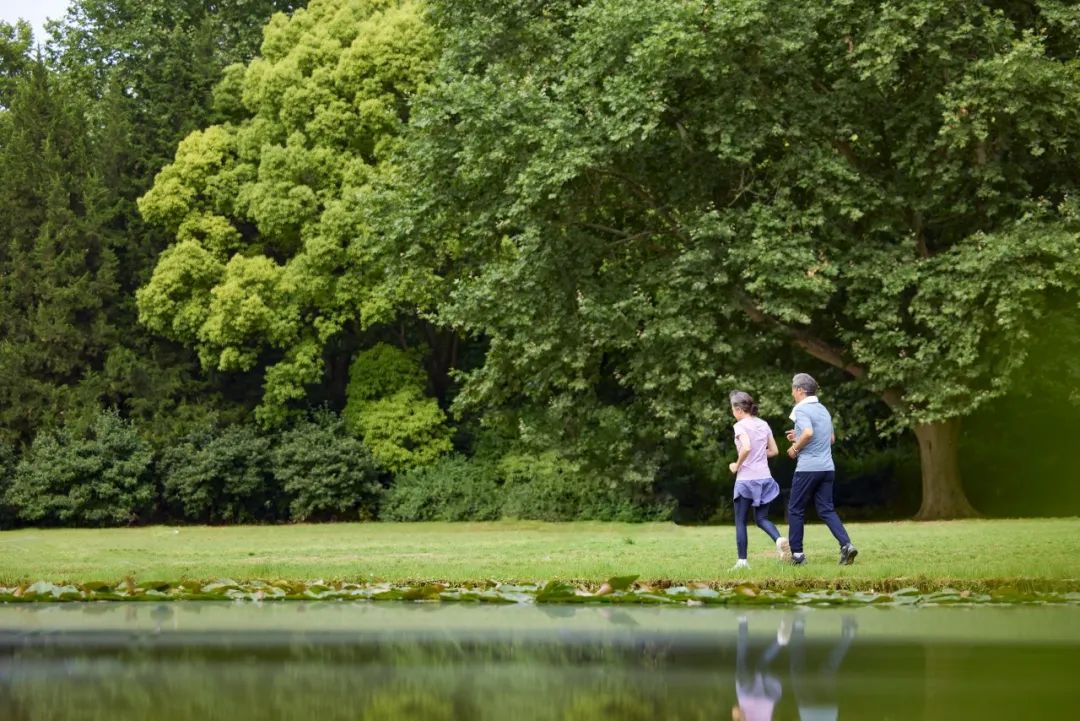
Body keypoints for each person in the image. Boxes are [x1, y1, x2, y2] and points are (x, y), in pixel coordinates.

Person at [784, 374, 857, 565]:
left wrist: (795, 448)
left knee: (795, 509)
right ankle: (846, 545)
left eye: (793, 389)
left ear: (800, 390)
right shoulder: (823, 410)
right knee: (826, 509)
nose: (792, 393)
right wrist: (797, 435)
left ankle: (798, 556)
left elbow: (808, 432)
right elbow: (830, 438)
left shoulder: (801, 409)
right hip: (827, 468)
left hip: (808, 468)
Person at [728, 391, 790, 570]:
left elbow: (746, 447)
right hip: (764, 479)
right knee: (761, 518)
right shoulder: (763, 424)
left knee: (740, 521)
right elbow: (774, 451)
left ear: (739, 409)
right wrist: (758, 454)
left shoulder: (739, 426)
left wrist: (737, 465)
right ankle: (779, 539)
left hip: (746, 480)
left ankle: (742, 562)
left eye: (733, 409)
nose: (732, 412)